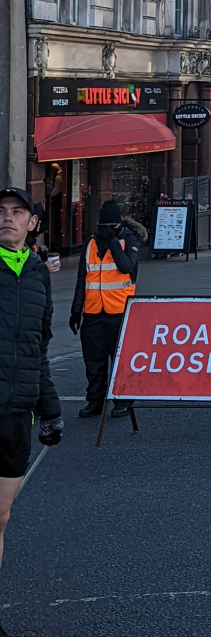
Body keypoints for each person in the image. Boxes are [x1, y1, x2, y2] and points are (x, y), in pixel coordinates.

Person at [0, 187, 62, 580]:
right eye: (2, 211)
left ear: (32, 223)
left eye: (17, 212)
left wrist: (50, 408)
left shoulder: (38, 274)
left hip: (17, 414)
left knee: (1, 516)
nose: (8, 217)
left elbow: (39, 347)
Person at [70, 199, 142, 420]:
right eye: (101, 227)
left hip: (120, 312)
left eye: (109, 227)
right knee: (93, 362)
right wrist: (75, 310)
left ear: (117, 225)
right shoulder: (91, 244)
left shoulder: (129, 240)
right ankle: (95, 401)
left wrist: (112, 243)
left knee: (119, 360)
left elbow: (127, 267)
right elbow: (82, 279)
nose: (103, 231)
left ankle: (122, 401)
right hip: (92, 314)